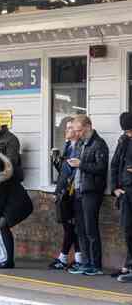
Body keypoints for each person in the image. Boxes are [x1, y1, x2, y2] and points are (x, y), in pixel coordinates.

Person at [67, 115, 108, 276]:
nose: (77, 134)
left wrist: (81, 164)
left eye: (79, 130)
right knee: (81, 229)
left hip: (92, 191)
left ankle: (96, 265)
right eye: (76, 131)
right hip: (79, 190)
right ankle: (85, 262)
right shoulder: (81, 143)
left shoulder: (99, 144)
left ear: (88, 127)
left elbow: (101, 168)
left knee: (91, 229)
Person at [49, 118, 83, 270]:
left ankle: (64, 258)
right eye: (67, 128)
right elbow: (64, 172)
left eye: (70, 128)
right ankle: (77, 258)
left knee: (71, 226)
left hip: (73, 192)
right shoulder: (69, 146)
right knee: (69, 226)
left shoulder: (79, 147)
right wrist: (56, 161)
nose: (67, 130)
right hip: (64, 191)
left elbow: (73, 172)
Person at [111, 112, 132, 283]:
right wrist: (115, 188)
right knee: (128, 229)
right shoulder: (123, 140)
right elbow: (115, 163)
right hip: (126, 191)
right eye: (126, 131)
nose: (129, 134)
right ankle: (129, 264)